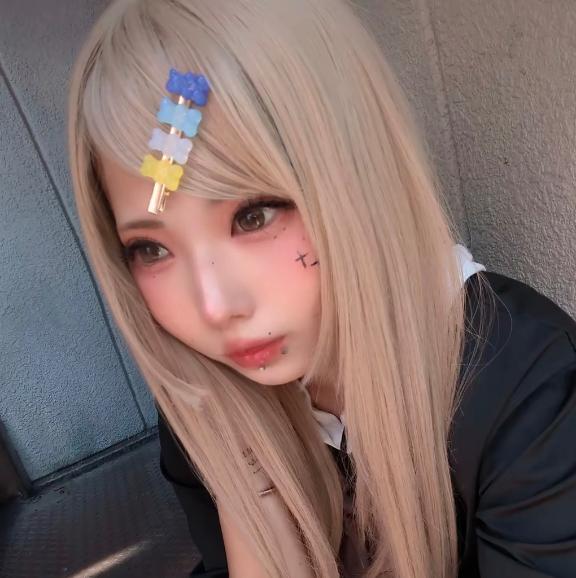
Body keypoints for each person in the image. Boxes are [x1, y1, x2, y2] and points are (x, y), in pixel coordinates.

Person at [67, 0, 576, 576]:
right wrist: (249, 509)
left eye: (254, 216)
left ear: (354, 172)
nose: (215, 308)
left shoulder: (532, 395)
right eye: (151, 249)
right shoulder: (204, 395)